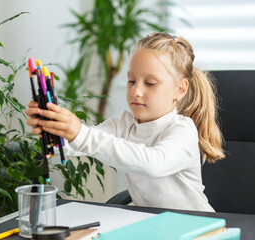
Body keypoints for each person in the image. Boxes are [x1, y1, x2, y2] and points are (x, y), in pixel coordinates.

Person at [25, 32, 225, 212]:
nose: (136, 91)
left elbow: (152, 163)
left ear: (180, 90)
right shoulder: (124, 123)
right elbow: (77, 145)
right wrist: (53, 129)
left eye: (150, 83)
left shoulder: (182, 130)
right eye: (131, 81)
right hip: (153, 225)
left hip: (196, 226)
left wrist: (80, 133)